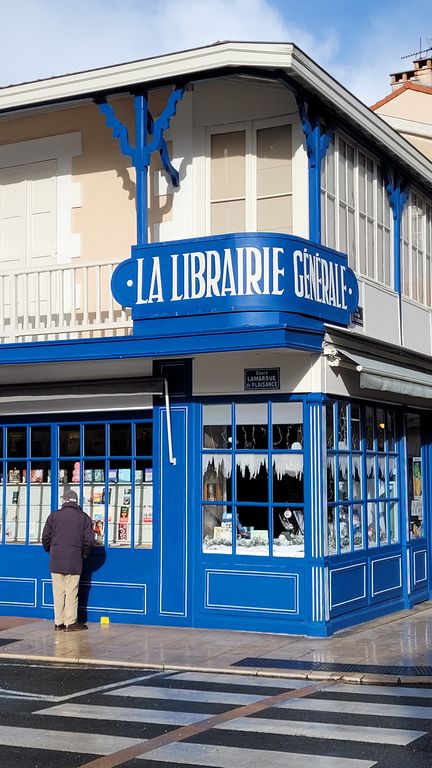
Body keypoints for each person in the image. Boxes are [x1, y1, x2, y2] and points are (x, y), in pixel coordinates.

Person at [42, 489, 94, 632]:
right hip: (74, 559)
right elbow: (89, 541)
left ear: (64, 500)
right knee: (72, 591)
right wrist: (83, 554)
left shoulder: (54, 516)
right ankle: (70, 622)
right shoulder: (84, 518)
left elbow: (45, 537)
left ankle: (58, 622)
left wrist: (50, 550)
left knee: (58, 591)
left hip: (56, 558)